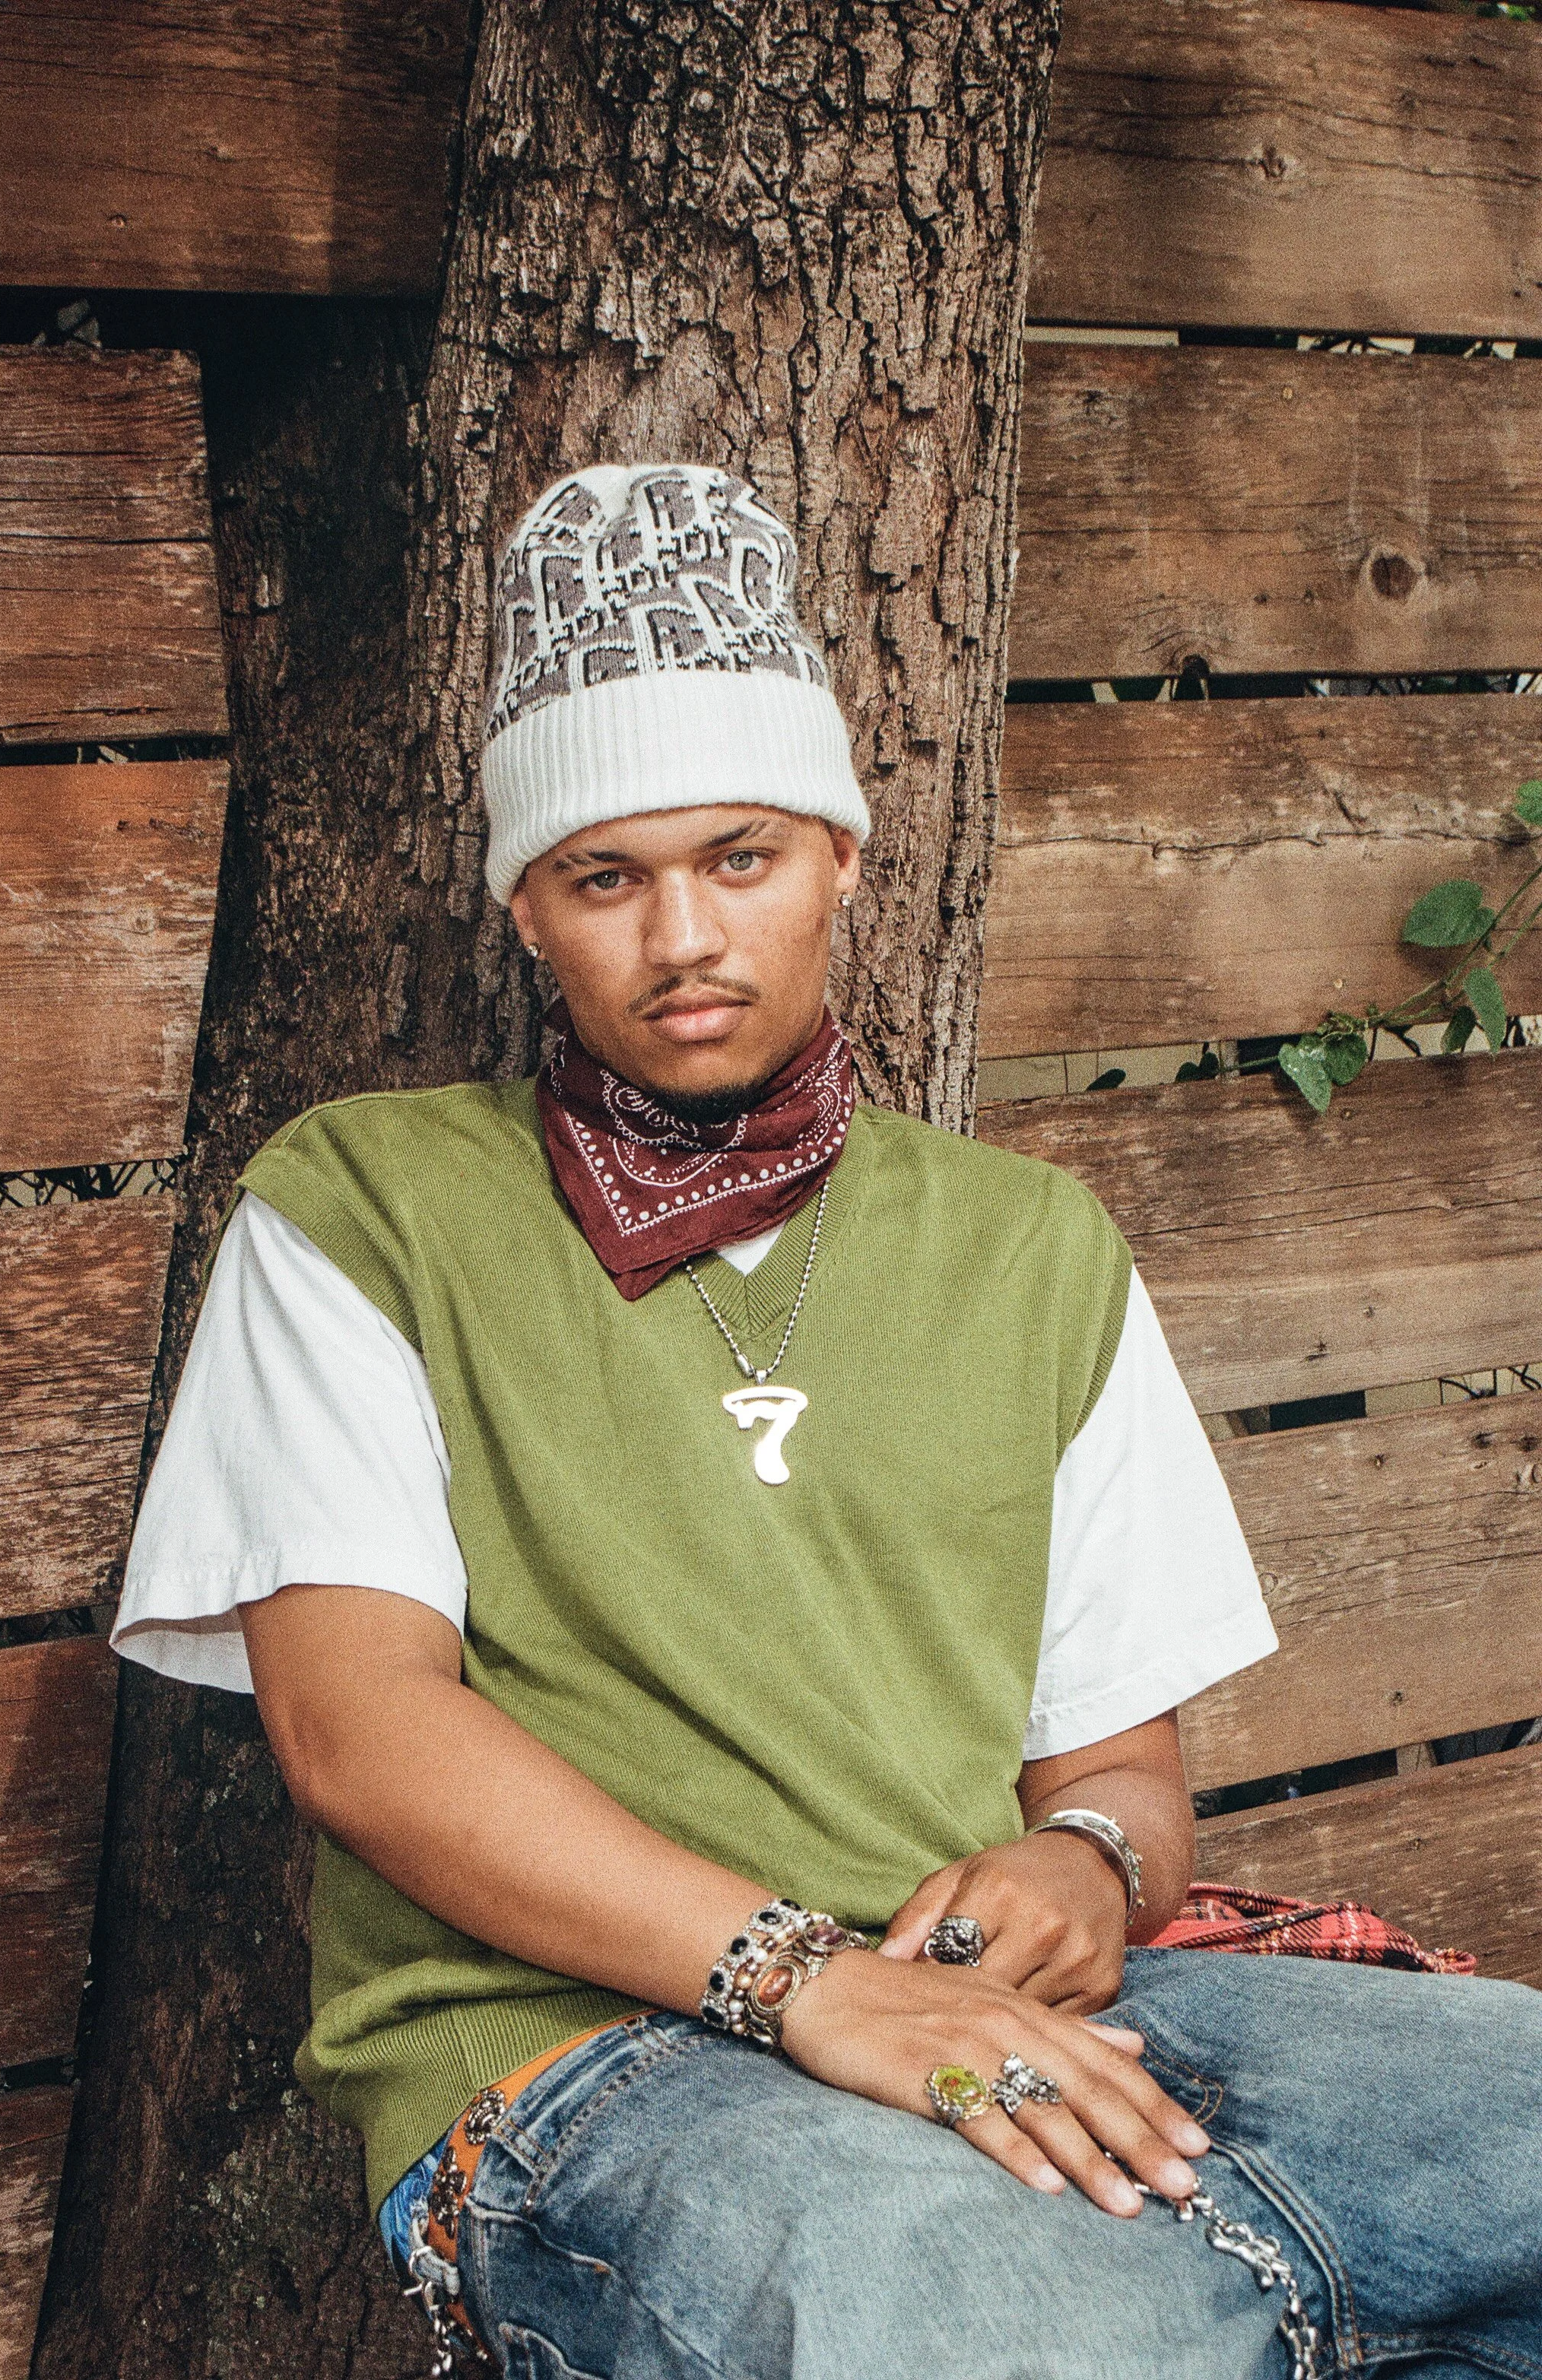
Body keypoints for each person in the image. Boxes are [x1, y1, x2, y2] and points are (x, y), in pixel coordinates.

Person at [114, 463, 1542, 2380]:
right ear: (526, 906)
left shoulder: (1024, 1241)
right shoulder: (363, 1206)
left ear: (845, 858)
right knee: (1023, 2339)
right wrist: (805, 1983)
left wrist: (1088, 1868)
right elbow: (354, 1730)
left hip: (996, 2001)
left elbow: (1118, 1764)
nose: (681, 936)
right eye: (604, 877)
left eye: (741, 855)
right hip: (578, 2047)